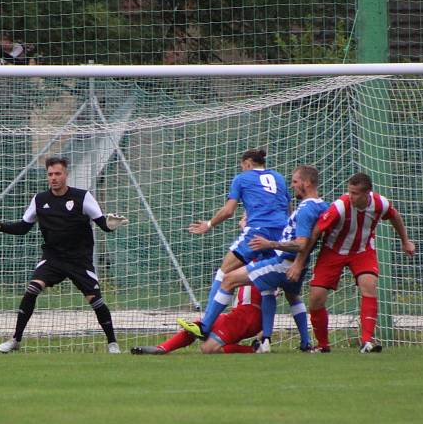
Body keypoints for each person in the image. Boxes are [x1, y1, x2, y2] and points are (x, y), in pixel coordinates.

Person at [0, 156, 129, 354]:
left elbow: (102, 223)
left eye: (57, 173)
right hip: (53, 258)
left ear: (65, 175)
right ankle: (15, 339)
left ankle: (112, 343)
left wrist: (110, 225)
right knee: (32, 289)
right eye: (50, 174)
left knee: (95, 300)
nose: (54, 178)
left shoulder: (82, 197)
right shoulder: (40, 200)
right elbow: (23, 227)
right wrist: (0, 226)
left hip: (79, 259)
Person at [181, 165, 328, 353]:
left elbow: (300, 243)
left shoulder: (306, 208)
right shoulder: (322, 206)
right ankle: (294, 342)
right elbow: (311, 239)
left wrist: (270, 244)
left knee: (228, 278)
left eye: (295, 182)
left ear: (307, 183)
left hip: (283, 262)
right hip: (298, 263)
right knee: (289, 295)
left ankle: (205, 325)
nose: (292, 186)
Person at [287, 172, 415, 353]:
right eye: (349, 192)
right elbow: (315, 232)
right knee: (316, 297)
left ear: (367, 193)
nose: (350, 196)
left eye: (355, 193)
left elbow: (395, 216)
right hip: (333, 251)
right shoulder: (339, 207)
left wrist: (405, 241)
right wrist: (299, 263)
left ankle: (366, 341)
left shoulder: (380, 203)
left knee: (369, 285)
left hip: (362, 251)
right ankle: (323, 345)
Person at [178, 148, 290, 339]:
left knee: (224, 273)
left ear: (247, 163)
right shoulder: (278, 177)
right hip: (280, 234)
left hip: (257, 233)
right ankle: (267, 340)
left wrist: (209, 224)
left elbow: (229, 210)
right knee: (268, 287)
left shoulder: (242, 178)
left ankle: (205, 325)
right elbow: (287, 208)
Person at [131, 284, 262, 355]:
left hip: (245, 318)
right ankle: (162, 349)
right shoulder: (248, 257)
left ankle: (253, 350)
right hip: (237, 315)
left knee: (208, 349)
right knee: (197, 326)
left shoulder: (260, 262)